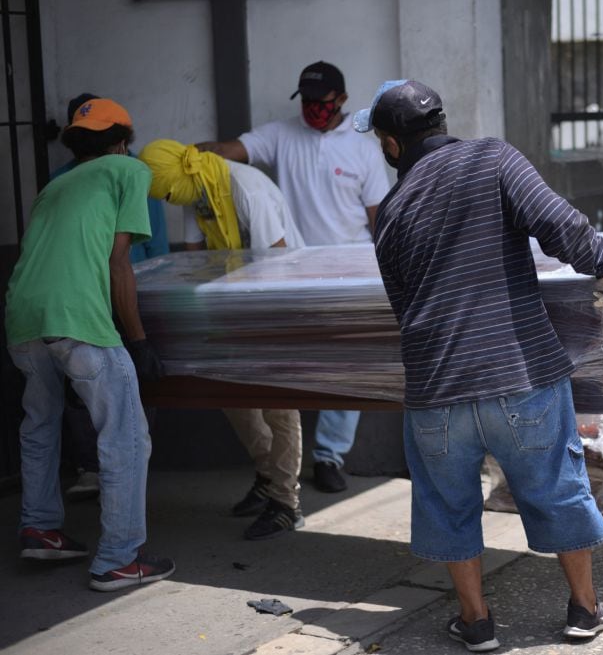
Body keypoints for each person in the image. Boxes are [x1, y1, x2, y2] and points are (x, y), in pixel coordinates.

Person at [361, 79, 603, 650]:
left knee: (447, 505)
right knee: (555, 486)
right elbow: (560, 225)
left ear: (391, 145)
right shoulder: (492, 158)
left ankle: (476, 622)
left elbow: (405, 307)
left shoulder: (390, 214)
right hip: (520, 374)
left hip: (437, 389)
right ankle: (583, 609)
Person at [6, 98, 175, 591]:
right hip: (77, 317)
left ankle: (39, 527)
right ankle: (119, 559)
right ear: (123, 139)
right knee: (125, 434)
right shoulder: (127, 169)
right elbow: (118, 262)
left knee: (39, 423)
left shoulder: (55, 184)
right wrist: (139, 340)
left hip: (22, 315)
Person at [197, 61, 389, 493]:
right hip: (295, 271)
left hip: (351, 271)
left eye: (321, 103)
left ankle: (328, 456)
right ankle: (281, 464)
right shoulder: (281, 135)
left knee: (347, 367)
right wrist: (188, 157)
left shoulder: (363, 147)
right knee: (291, 364)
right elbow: (231, 151)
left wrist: (387, 268)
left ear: (341, 100)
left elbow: (378, 215)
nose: (313, 110)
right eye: (306, 102)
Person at [140, 138, 307, 539]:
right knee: (230, 394)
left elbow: (278, 259)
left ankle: (287, 502)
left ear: (177, 175)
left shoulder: (247, 189)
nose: (166, 198)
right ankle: (268, 476)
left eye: (165, 190)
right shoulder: (193, 191)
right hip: (231, 302)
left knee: (279, 404)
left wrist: (255, 319)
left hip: (275, 298)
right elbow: (195, 259)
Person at [50, 93, 170, 503]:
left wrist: (142, 317)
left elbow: (152, 250)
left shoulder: (134, 174)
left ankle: (128, 476)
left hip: (125, 296)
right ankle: (94, 469)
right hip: (86, 302)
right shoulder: (63, 181)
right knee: (86, 396)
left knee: (134, 393)